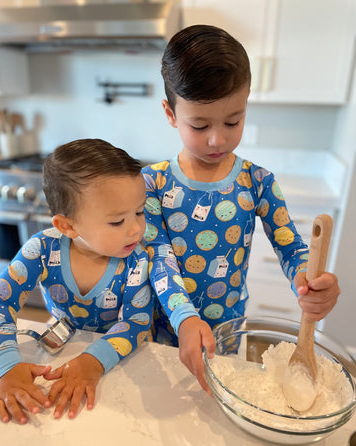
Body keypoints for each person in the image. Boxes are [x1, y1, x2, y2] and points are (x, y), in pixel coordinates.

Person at [142, 24, 340, 394]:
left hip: (228, 333)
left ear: (247, 101)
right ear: (170, 113)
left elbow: (293, 248)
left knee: (217, 407)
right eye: (199, 125)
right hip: (165, 330)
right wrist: (185, 319)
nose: (218, 138)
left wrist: (310, 280)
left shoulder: (258, 181)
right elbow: (159, 258)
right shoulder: (151, 184)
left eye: (233, 121)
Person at [0, 138, 153, 424]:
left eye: (140, 211)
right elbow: (0, 301)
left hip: (116, 362)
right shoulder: (41, 249)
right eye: (117, 221)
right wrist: (5, 366)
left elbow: (137, 322)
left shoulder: (136, 259)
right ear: (67, 226)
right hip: (59, 351)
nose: (136, 228)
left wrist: (93, 361)